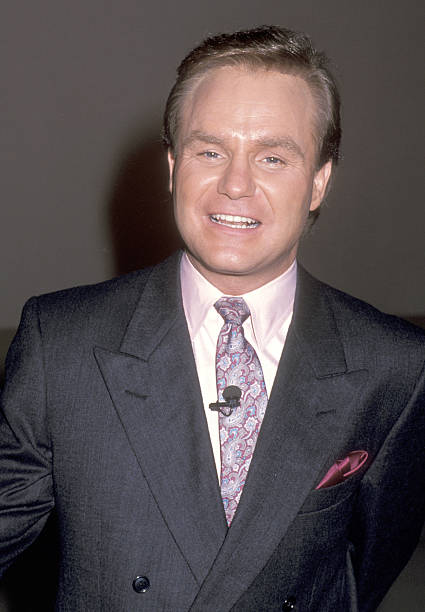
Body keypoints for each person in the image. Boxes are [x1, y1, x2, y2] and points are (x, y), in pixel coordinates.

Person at [0, 25, 424, 612]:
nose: (235, 184)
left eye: (273, 157)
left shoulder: (395, 366)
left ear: (319, 182)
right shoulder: (62, 345)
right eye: (210, 151)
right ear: (174, 167)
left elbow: (364, 569)